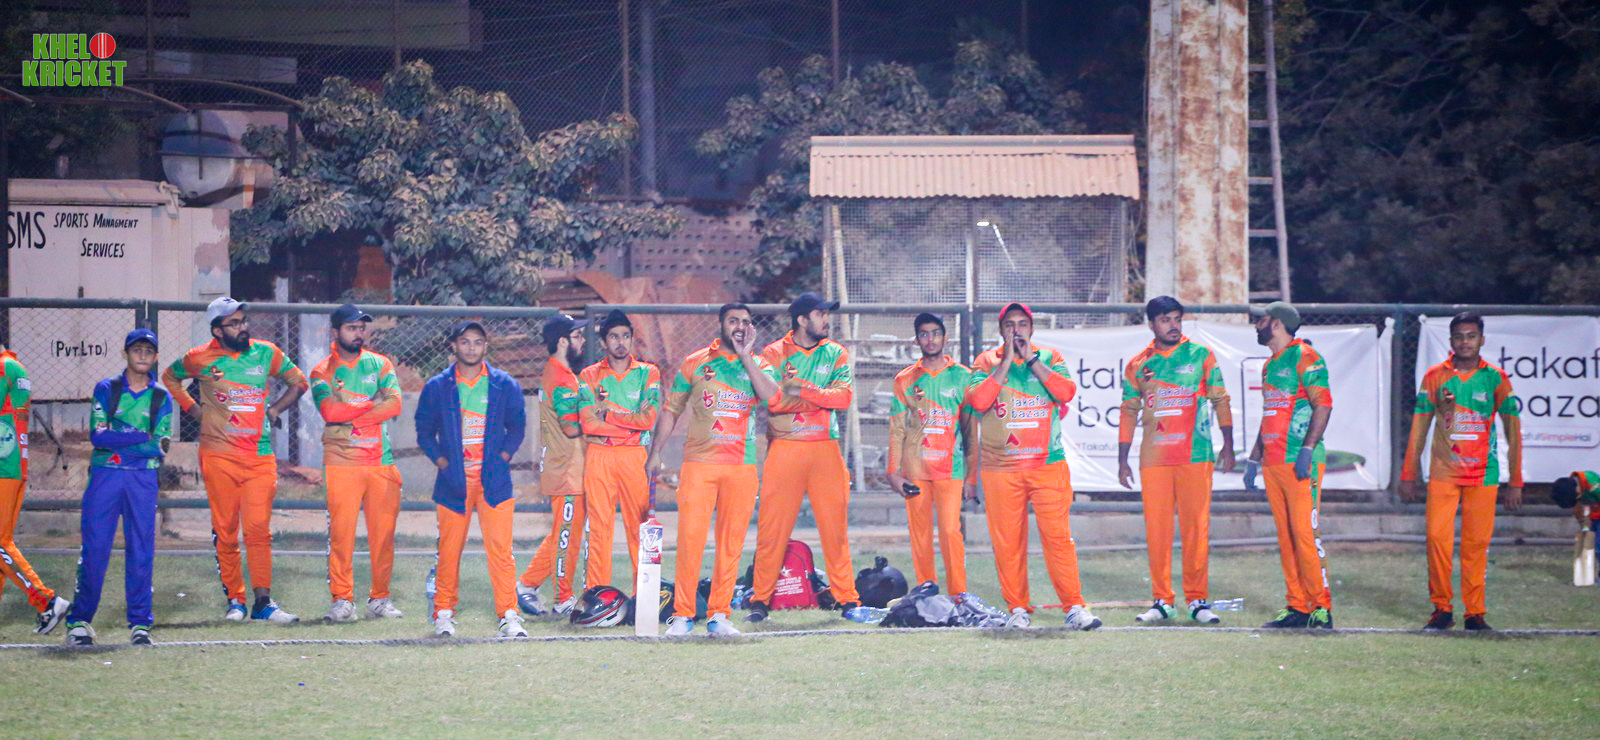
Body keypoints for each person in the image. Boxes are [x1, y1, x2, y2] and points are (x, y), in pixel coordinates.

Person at [162, 297, 307, 624]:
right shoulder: (199, 358)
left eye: (243, 321)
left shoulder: (266, 353)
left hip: (259, 457)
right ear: (217, 330)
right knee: (226, 531)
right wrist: (193, 410)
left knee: (258, 530)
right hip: (218, 457)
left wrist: (275, 409)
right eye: (234, 323)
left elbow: (299, 382)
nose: (243, 328)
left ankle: (263, 603)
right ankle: (235, 601)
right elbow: (170, 377)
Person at [965, 302, 1101, 631]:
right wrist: (1006, 362)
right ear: (1001, 331)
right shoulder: (986, 362)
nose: (1016, 330)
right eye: (1009, 325)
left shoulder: (1050, 357)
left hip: (1047, 465)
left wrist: (1031, 360)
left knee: (1058, 538)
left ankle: (1074, 607)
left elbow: (1066, 393)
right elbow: (978, 402)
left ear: (1032, 328)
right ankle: (1018, 609)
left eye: (1022, 324)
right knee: (1008, 543)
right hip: (1001, 469)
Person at [648, 303, 780, 637]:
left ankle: (719, 615)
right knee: (690, 540)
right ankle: (682, 615)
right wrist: (656, 452)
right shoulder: (696, 362)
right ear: (721, 324)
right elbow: (671, 409)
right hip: (699, 466)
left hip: (741, 467)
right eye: (733, 321)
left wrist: (747, 357)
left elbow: (772, 397)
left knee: (731, 543)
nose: (739, 327)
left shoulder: (761, 364)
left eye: (745, 322)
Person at [1401, 312, 1522, 631]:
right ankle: (1442, 609)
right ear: (1451, 340)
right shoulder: (1435, 377)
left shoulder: (1495, 378)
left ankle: (1474, 613)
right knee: (1436, 539)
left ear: (1482, 340)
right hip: (1444, 473)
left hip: (1484, 474)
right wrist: (1408, 474)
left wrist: (1516, 480)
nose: (1465, 342)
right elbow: (1419, 428)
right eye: (1459, 336)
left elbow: (1513, 430)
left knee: (1476, 544)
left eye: (1471, 336)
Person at [1118, 296, 1235, 625]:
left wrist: (1228, 445)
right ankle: (1162, 600)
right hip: (1154, 458)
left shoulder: (1200, 355)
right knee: (1157, 531)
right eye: (1165, 320)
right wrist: (1122, 459)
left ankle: (1198, 600)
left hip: (1195, 455)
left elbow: (1220, 399)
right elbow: (1128, 411)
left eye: (1176, 319)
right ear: (1151, 324)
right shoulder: (1139, 364)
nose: (1173, 325)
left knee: (1196, 528)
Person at [748, 292, 860, 622]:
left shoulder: (836, 352)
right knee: (772, 529)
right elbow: (773, 400)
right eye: (821, 314)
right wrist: (817, 398)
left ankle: (847, 598)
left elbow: (843, 398)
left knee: (835, 530)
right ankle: (760, 599)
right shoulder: (774, 353)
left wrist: (802, 389)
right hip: (786, 448)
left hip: (825, 448)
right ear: (801, 320)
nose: (827, 320)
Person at [415, 320, 528, 638]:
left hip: (493, 482)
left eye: (478, 342)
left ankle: (509, 614)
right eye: (465, 341)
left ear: (485, 347)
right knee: (449, 550)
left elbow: (517, 426)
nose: (471, 348)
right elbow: (424, 431)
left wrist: (502, 457)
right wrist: (442, 462)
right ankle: (443, 613)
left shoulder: (503, 384)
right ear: (454, 345)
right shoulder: (438, 386)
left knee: (501, 550)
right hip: (454, 483)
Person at [63, 329, 173, 646]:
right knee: (95, 548)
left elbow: (159, 446)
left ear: (155, 357)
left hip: (142, 479)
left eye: (148, 351)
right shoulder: (107, 389)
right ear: (126, 353)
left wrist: (121, 439)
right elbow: (98, 437)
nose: (142, 355)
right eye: (136, 349)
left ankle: (140, 624)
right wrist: (140, 437)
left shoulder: (161, 397)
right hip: (106, 477)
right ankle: (80, 622)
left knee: (141, 550)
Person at [308, 304, 405, 624]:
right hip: (341, 464)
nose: (358, 333)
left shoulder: (380, 364)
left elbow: (395, 405)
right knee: (341, 536)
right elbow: (330, 413)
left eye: (362, 327)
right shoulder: (322, 371)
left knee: (383, 536)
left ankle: (380, 599)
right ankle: (342, 600)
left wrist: (352, 414)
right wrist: (371, 404)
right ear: (336, 332)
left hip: (380, 462)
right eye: (351, 328)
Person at [1242, 301, 1335, 629]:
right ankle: (1297, 605)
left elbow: (1323, 404)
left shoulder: (1306, 356)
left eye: (1262, 320)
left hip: (1299, 461)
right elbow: (1270, 413)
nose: (1257, 325)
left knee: (1305, 533)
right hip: (1273, 462)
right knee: (1286, 536)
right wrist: (1254, 457)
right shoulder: (1270, 365)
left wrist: (1308, 449)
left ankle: (1321, 606)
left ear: (1277, 323)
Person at [885, 312, 976, 598]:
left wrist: (972, 476)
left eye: (935, 333)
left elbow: (970, 430)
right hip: (915, 471)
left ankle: (959, 596)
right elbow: (897, 429)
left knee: (950, 532)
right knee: (920, 534)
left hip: (951, 468)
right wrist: (892, 472)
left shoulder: (963, 377)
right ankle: (926, 593)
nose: (930, 339)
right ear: (917, 340)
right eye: (924, 334)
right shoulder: (905, 380)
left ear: (945, 337)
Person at [575, 310, 661, 593]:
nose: (620, 342)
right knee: (599, 529)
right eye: (613, 337)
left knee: (639, 527)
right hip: (599, 457)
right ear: (603, 342)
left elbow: (648, 420)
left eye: (625, 336)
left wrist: (609, 416)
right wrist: (630, 427)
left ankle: (643, 596)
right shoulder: (589, 375)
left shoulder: (648, 373)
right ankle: (598, 595)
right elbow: (588, 424)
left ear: (632, 339)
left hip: (634, 457)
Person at [517, 314, 590, 616]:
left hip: (568, 468)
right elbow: (571, 428)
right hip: (565, 471)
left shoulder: (559, 372)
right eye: (577, 336)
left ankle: (527, 585)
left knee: (563, 532)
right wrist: (601, 416)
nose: (583, 341)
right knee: (566, 537)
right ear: (562, 342)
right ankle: (563, 598)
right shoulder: (562, 378)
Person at [0, 339, 73, 635]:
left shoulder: (2, 367)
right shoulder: (15, 367)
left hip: (3, 464)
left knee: (0, 544)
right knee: (2, 542)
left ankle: (46, 601)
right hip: (13, 463)